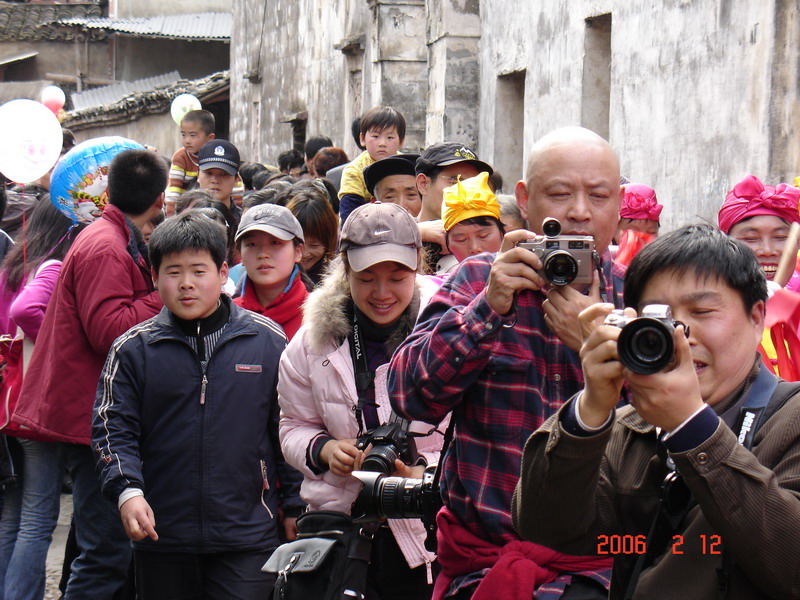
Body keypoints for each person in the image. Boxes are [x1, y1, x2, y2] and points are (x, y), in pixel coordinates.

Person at [389, 126, 626, 599]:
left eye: (598, 195)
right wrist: (488, 311)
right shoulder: (480, 278)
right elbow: (409, 396)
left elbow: (672, 422)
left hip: (601, 571)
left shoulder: (637, 292)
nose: (580, 211)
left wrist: (598, 348)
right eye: (560, 194)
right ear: (524, 198)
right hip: (486, 563)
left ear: (618, 204)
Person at [513, 223, 800, 599]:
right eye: (659, 316)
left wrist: (692, 427)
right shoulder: (629, 427)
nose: (680, 332)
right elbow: (550, 528)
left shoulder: (790, 417)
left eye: (703, 310)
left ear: (757, 316)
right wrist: (590, 410)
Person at [92, 211, 303, 599]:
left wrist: (293, 505)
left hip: (247, 534)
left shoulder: (267, 341)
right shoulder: (134, 350)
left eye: (198, 271)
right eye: (173, 272)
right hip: (161, 535)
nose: (186, 284)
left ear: (224, 272)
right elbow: (112, 429)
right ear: (154, 278)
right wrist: (128, 492)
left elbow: (287, 427)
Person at [11, 149, 166, 599]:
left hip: (89, 411)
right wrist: (163, 292)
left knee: (98, 546)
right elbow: (110, 331)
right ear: (160, 198)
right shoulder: (106, 245)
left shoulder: (107, 233)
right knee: (103, 554)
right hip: (86, 415)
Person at [278, 202, 442, 599]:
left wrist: (432, 478)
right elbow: (292, 425)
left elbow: (479, 431)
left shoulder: (448, 328)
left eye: (398, 277)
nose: (382, 293)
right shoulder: (311, 342)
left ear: (418, 264)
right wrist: (324, 449)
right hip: (345, 531)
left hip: (430, 529)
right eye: (366, 278)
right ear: (344, 269)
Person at [0, 199, 85, 600]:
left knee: (12, 516)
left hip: (8, 403)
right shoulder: (51, 268)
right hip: (34, 406)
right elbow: (26, 310)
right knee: (37, 519)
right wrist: (58, 341)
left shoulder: (12, 269)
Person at [414, 142, 493, 274]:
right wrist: (415, 232)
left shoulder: (488, 235)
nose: (466, 191)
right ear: (423, 184)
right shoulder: (394, 231)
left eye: (473, 183)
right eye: (455, 181)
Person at [233, 203, 309, 340]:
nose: (263, 254)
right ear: (240, 255)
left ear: (298, 251)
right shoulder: (228, 317)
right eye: (251, 244)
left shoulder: (318, 317)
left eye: (275, 243)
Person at [338, 106, 406, 224]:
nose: (382, 143)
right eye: (375, 136)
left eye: (390, 137)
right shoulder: (354, 171)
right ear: (362, 138)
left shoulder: (407, 166)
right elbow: (349, 214)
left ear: (401, 141)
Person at [441, 172, 504, 266]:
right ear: (448, 245)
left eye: (483, 235)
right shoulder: (440, 280)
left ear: (502, 234)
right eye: (461, 239)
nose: (475, 248)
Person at [284, 181, 339, 286]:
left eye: (314, 246)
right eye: (297, 243)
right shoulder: (273, 279)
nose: (304, 254)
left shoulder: (334, 284)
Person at [166, 110, 216, 216]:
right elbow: (173, 191)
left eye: (193, 135)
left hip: (213, 208)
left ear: (210, 138)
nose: (187, 140)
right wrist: (171, 216)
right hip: (186, 211)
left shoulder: (217, 156)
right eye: (183, 135)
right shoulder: (180, 157)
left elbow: (235, 184)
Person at [197, 139, 242, 221]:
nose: (215, 180)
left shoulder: (244, 223)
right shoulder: (183, 222)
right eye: (209, 173)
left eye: (223, 174)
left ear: (236, 179)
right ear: (198, 175)